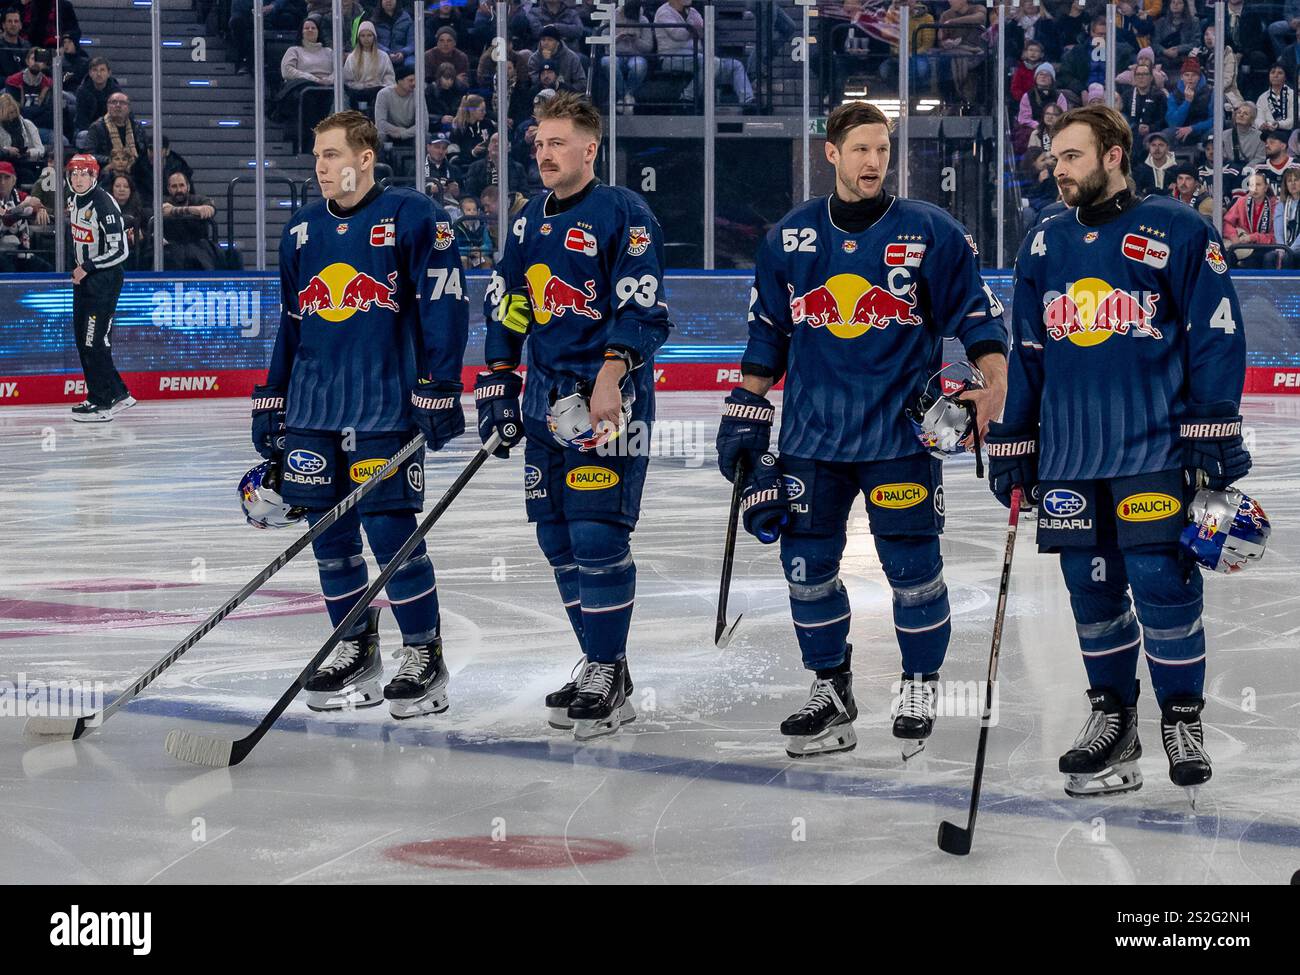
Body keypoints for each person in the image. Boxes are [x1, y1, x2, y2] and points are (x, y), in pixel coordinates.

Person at [719, 100, 1008, 759]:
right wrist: (745, 411)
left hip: (899, 439)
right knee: (806, 569)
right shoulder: (789, 238)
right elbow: (768, 337)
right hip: (811, 441)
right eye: (861, 150)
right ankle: (831, 688)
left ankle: (918, 684)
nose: (874, 161)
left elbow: (979, 317)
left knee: (913, 569)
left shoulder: (931, 232)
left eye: (883, 149)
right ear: (832, 155)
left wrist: (995, 381)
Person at [990, 103, 1247, 804]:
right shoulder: (1043, 244)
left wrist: (1214, 432)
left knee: (1162, 586)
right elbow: (1029, 351)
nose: (1058, 170)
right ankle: (1115, 718)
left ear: (1113, 154)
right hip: (1071, 457)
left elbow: (1216, 335)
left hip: (1152, 448)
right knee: (1093, 593)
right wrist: (1015, 440)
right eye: (1054, 158)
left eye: (1071, 156)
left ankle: (1182, 720)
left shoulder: (1179, 230)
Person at [255, 110, 468, 718]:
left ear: (366, 157)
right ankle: (355, 645)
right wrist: (273, 398)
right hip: (314, 407)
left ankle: (424, 654)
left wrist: (439, 385)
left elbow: (444, 305)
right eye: (316, 157)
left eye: (331, 155)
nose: (321, 168)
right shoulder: (300, 231)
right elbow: (292, 324)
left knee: (389, 530)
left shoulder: (413, 215)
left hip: (385, 405)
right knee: (331, 536)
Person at [475, 92, 671, 740]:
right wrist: (499, 386)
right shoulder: (529, 221)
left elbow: (643, 308)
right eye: (538, 143)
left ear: (590, 148)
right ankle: (602, 663)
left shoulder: (623, 213)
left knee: (596, 536)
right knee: (556, 538)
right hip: (543, 404)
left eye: (557, 142)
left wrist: (612, 376)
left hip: (607, 399)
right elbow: (508, 306)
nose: (544, 153)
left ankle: (607, 668)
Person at [64, 153, 133, 423]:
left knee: (95, 341)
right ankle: (104, 394)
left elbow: (120, 250)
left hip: (104, 280)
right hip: (85, 280)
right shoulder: (75, 200)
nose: (79, 179)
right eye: (75, 174)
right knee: (83, 340)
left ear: (94, 177)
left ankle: (105, 401)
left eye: (85, 174)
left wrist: (88, 267)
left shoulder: (103, 203)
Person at [655, 0, 755, 108]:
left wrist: (695, 30)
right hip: (672, 56)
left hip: (698, 56)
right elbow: (678, 34)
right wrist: (694, 29)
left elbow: (704, 32)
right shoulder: (663, 12)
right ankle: (687, 98)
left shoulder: (693, 12)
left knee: (735, 65)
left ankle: (747, 101)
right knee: (711, 62)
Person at [161, 171, 220, 271]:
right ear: (168, 189)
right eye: (174, 186)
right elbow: (163, 210)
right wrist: (192, 210)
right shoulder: (163, 200)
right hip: (172, 248)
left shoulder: (200, 199)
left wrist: (174, 210)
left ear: (188, 187)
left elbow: (210, 210)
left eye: (182, 185)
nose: (179, 190)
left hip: (199, 247)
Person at [1223, 170, 1281, 267]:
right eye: (1251, 185)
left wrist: (1252, 237)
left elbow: (1275, 236)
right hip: (1241, 245)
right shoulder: (1241, 201)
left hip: (1264, 247)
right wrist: (1234, 237)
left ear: (1266, 187)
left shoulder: (1275, 205)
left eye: (1258, 185)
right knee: (1226, 257)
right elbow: (1226, 223)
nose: (1255, 188)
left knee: (1253, 261)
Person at [86, 91, 147, 171]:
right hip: (106, 169)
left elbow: (144, 153)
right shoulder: (97, 127)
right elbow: (89, 155)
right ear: (107, 107)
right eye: (114, 102)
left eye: (122, 103)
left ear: (128, 108)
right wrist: (111, 161)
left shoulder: (137, 127)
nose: (118, 105)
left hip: (134, 169)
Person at [343, 20, 395, 111]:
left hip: (378, 91)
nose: (366, 39)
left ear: (374, 37)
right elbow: (347, 80)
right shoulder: (352, 57)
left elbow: (389, 77)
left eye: (369, 35)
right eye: (363, 36)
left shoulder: (383, 56)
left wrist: (378, 84)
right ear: (359, 38)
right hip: (358, 92)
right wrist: (362, 85)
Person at [0, 90, 41, 184]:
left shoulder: (26, 124)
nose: (12, 116)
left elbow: (40, 149)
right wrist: (7, 150)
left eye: (14, 112)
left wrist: (29, 152)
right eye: (9, 113)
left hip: (23, 163)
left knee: (30, 174)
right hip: (3, 164)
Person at [74, 57, 121, 138]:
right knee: (84, 136)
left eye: (102, 70)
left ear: (108, 73)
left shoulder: (116, 92)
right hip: (87, 130)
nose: (99, 74)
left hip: (110, 130)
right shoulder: (82, 91)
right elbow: (81, 119)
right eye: (95, 70)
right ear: (90, 73)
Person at [1273, 164, 1300, 266]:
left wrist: (1289, 250)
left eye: (1296, 180)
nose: (1293, 183)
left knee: (1290, 257)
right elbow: (1278, 230)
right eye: (1289, 181)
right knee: (1269, 258)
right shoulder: (1281, 204)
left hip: (1296, 247)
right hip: (1285, 247)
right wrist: (1282, 249)